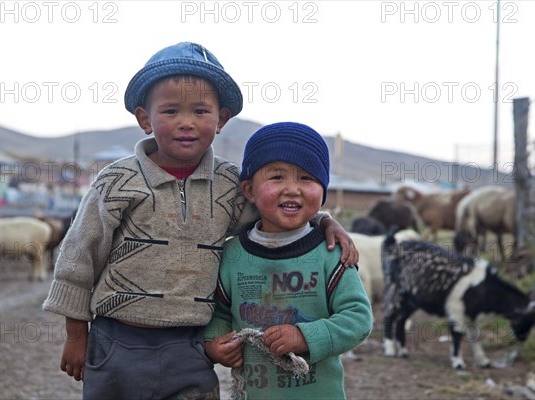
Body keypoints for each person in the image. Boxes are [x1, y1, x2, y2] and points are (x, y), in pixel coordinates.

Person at [42, 42, 358, 399]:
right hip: (117, 341)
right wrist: (76, 335)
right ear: (145, 118)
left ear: (221, 119)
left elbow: (276, 206)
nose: (187, 123)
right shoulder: (116, 183)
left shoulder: (228, 185)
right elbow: (79, 256)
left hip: (189, 345)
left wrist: (323, 221)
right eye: (171, 110)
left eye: (201, 111)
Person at [204, 122, 373, 399]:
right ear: (248, 190)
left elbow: (358, 318)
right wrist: (215, 342)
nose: (292, 189)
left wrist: (306, 337)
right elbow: (220, 312)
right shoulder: (233, 255)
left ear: (323, 189)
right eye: (277, 177)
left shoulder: (331, 252)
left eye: (306, 178)